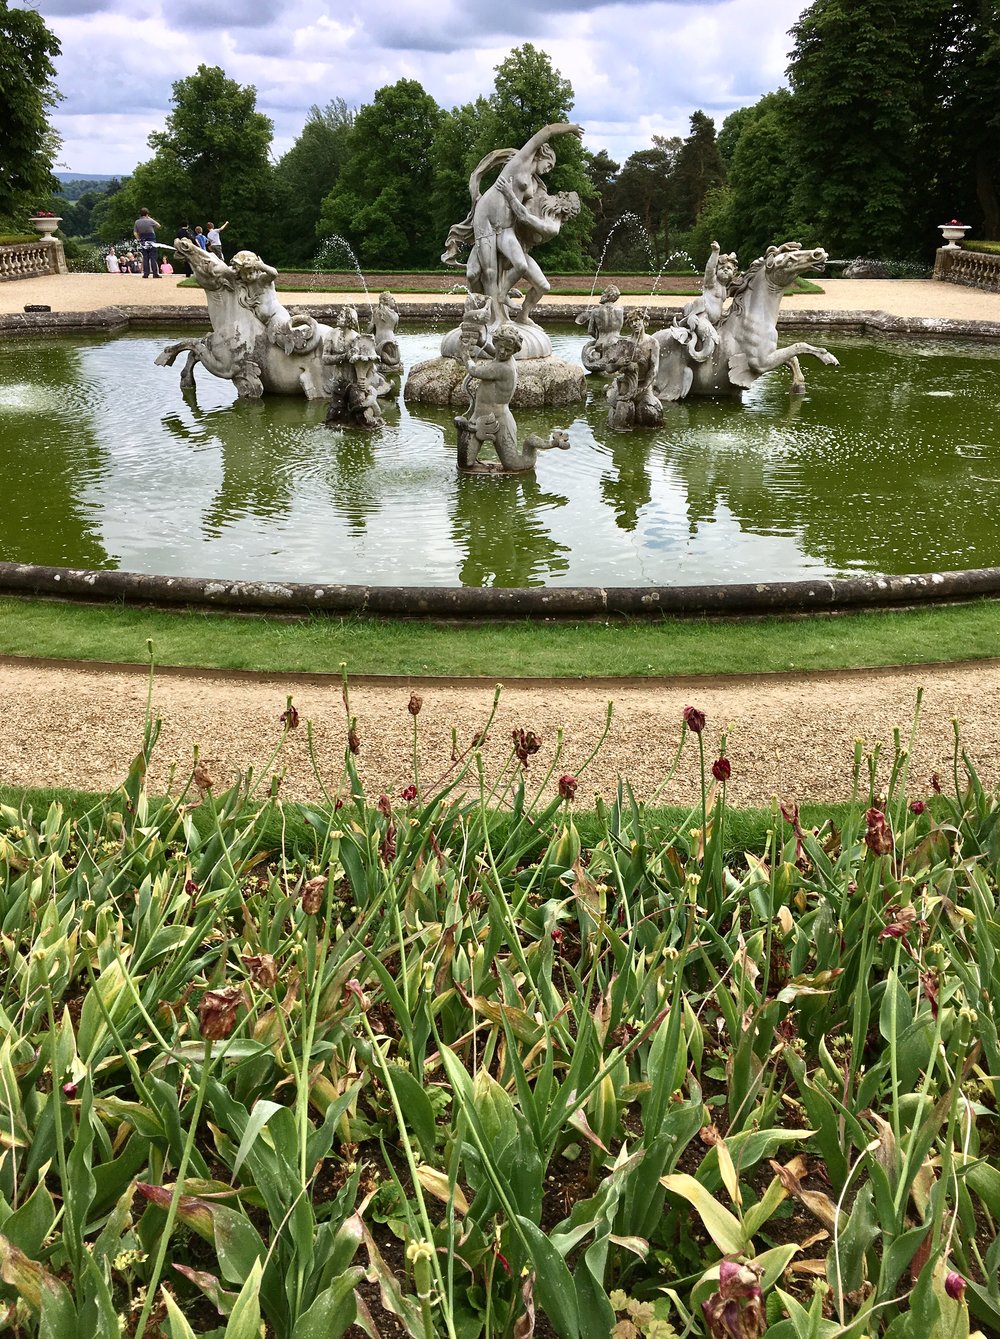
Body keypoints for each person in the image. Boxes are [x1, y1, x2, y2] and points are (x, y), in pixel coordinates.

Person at [133, 207, 162, 277]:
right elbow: (158, 226)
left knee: (145, 257)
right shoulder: (149, 221)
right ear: (147, 214)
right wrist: (150, 218)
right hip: (151, 238)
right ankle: (155, 273)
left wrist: (138, 239)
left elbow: (135, 233)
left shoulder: (137, 222)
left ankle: (146, 273)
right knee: (153, 257)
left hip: (143, 239)